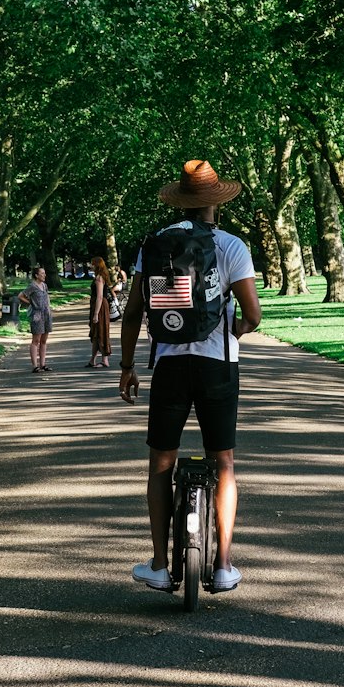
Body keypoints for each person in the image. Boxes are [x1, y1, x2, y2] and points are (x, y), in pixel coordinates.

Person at [119, 158, 262, 593]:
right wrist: (235, 329)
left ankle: (160, 565)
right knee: (225, 462)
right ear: (216, 202)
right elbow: (253, 315)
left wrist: (126, 367)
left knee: (161, 460)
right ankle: (222, 566)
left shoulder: (157, 245)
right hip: (218, 364)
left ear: (181, 203)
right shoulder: (232, 246)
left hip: (169, 365)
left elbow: (135, 312)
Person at [18, 266, 53, 373]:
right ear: (36, 275)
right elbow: (20, 295)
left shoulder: (44, 285)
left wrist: (49, 309)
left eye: (44, 273)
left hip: (46, 314)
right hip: (37, 315)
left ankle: (43, 364)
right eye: (42, 273)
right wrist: (31, 303)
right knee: (36, 340)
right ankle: (35, 365)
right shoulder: (32, 286)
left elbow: (46, 298)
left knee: (44, 340)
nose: (44, 275)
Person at [87, 256, 112, 369]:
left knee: (101, 332)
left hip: (100, 307)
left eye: (92, 263)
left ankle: (104, 360)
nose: (90, 265)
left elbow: (100, 296)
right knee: (96, 333)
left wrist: (96, 313)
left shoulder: (99, 278)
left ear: (96, 265)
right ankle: (92, 360)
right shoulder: (100, 276)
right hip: (98, 306)